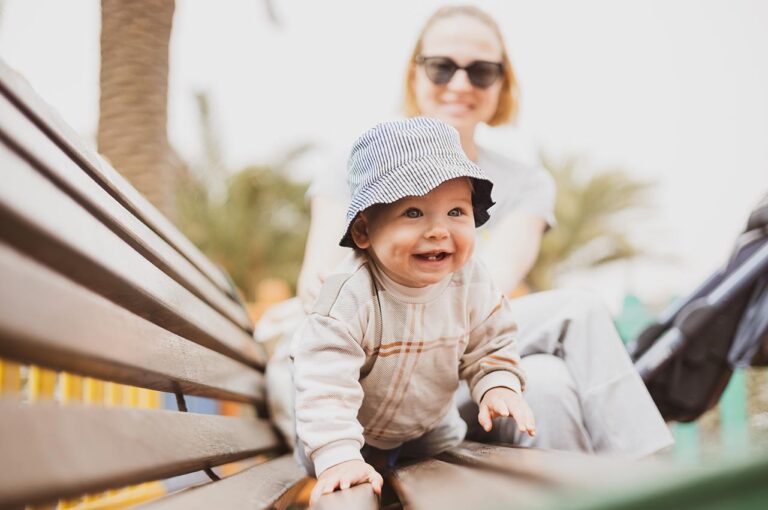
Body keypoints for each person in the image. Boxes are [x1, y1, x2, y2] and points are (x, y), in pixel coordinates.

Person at [263, 4, 672, 458]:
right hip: (366, 381)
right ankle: (653, 470)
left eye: (481, 71)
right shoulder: (361, 165)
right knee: (577, 310)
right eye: (442, 67)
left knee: (550, 386)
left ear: (502, 84)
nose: (460, 84)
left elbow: (479, 291)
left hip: (449, 371)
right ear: (414, 74)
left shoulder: (526, 183)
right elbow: (317, 286)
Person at [293, 117, 536, 504]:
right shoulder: (350, 294)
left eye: (456, 212)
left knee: (450, 482)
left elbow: (490, 342)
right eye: (413, 213)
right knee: (343, 487)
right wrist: (337, 456)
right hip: (345, 429)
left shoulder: (471, 281)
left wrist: (498, 384)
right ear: (363, 232)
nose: (439, 230)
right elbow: (324, 383)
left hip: (429, 424)